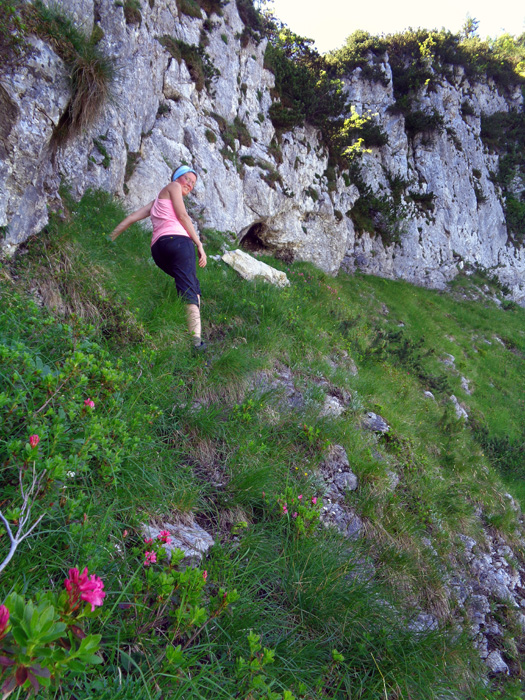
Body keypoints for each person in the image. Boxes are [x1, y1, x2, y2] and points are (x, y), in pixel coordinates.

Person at [110, 165, 207, 350]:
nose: (190, 184)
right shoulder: (173, 186)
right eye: (187, 179)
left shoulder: (156, 202)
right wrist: (199, 244)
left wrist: (110, 238)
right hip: (178, 243)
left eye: (193, 183)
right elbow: (183, 216)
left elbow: (131, 218)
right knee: (189, 289)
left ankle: (193, 331)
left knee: (192, 286)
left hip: (158, 251)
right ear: (178, 177)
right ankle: (196, 344)